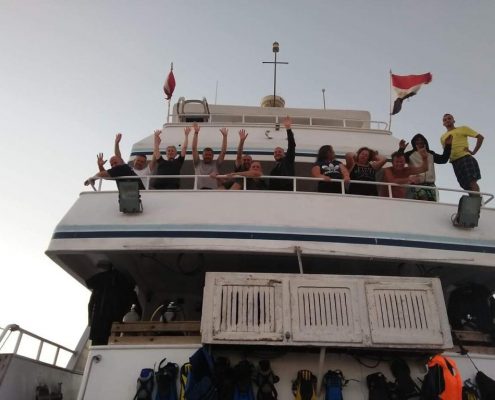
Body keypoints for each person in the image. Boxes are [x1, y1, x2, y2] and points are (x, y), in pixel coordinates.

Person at [398, 133, 452, 201]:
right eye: (417, 141)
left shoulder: (431, 154)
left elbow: (443, 159)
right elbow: (399, 161)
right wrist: (401, 149)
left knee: (432, 204)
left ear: (425, 142)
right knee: (421, 201)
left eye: (421, 141)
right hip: (416, 185)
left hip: (431, 185)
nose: (419, 142)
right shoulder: (409, 154)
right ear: (414, 143)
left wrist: (448, 145)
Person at [440, 113, 484, 192]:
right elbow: (446, 151)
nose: (447, 120)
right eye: (445, 120)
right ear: (443, 124)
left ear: (454, 121)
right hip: (454, 162)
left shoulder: (462, 128)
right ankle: (472, 199)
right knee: (466, 186)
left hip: (465, 157)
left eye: (449, 118)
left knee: (472, 181)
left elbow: (480, 137)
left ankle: (477, 199)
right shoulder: (442, 137)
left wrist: (474, 152)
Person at [192, 122, 228, 189]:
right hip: (199, 191)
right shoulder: (197, 163)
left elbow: (223, 152)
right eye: (206, 154)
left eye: (209, 155)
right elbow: (194, 148)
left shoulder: (216, 163)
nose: (208, 156)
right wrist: (196, 133)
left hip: (213, 192)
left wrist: (225, 136)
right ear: (202, 155)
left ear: (212, 156)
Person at [269, 116, 296, 191]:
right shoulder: (274, 169)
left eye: (279, 152)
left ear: (284, 154)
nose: (277, 153)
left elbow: (292, 145)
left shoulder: (288, 160)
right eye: (275, 152)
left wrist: (288, 128)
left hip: (287, 192)